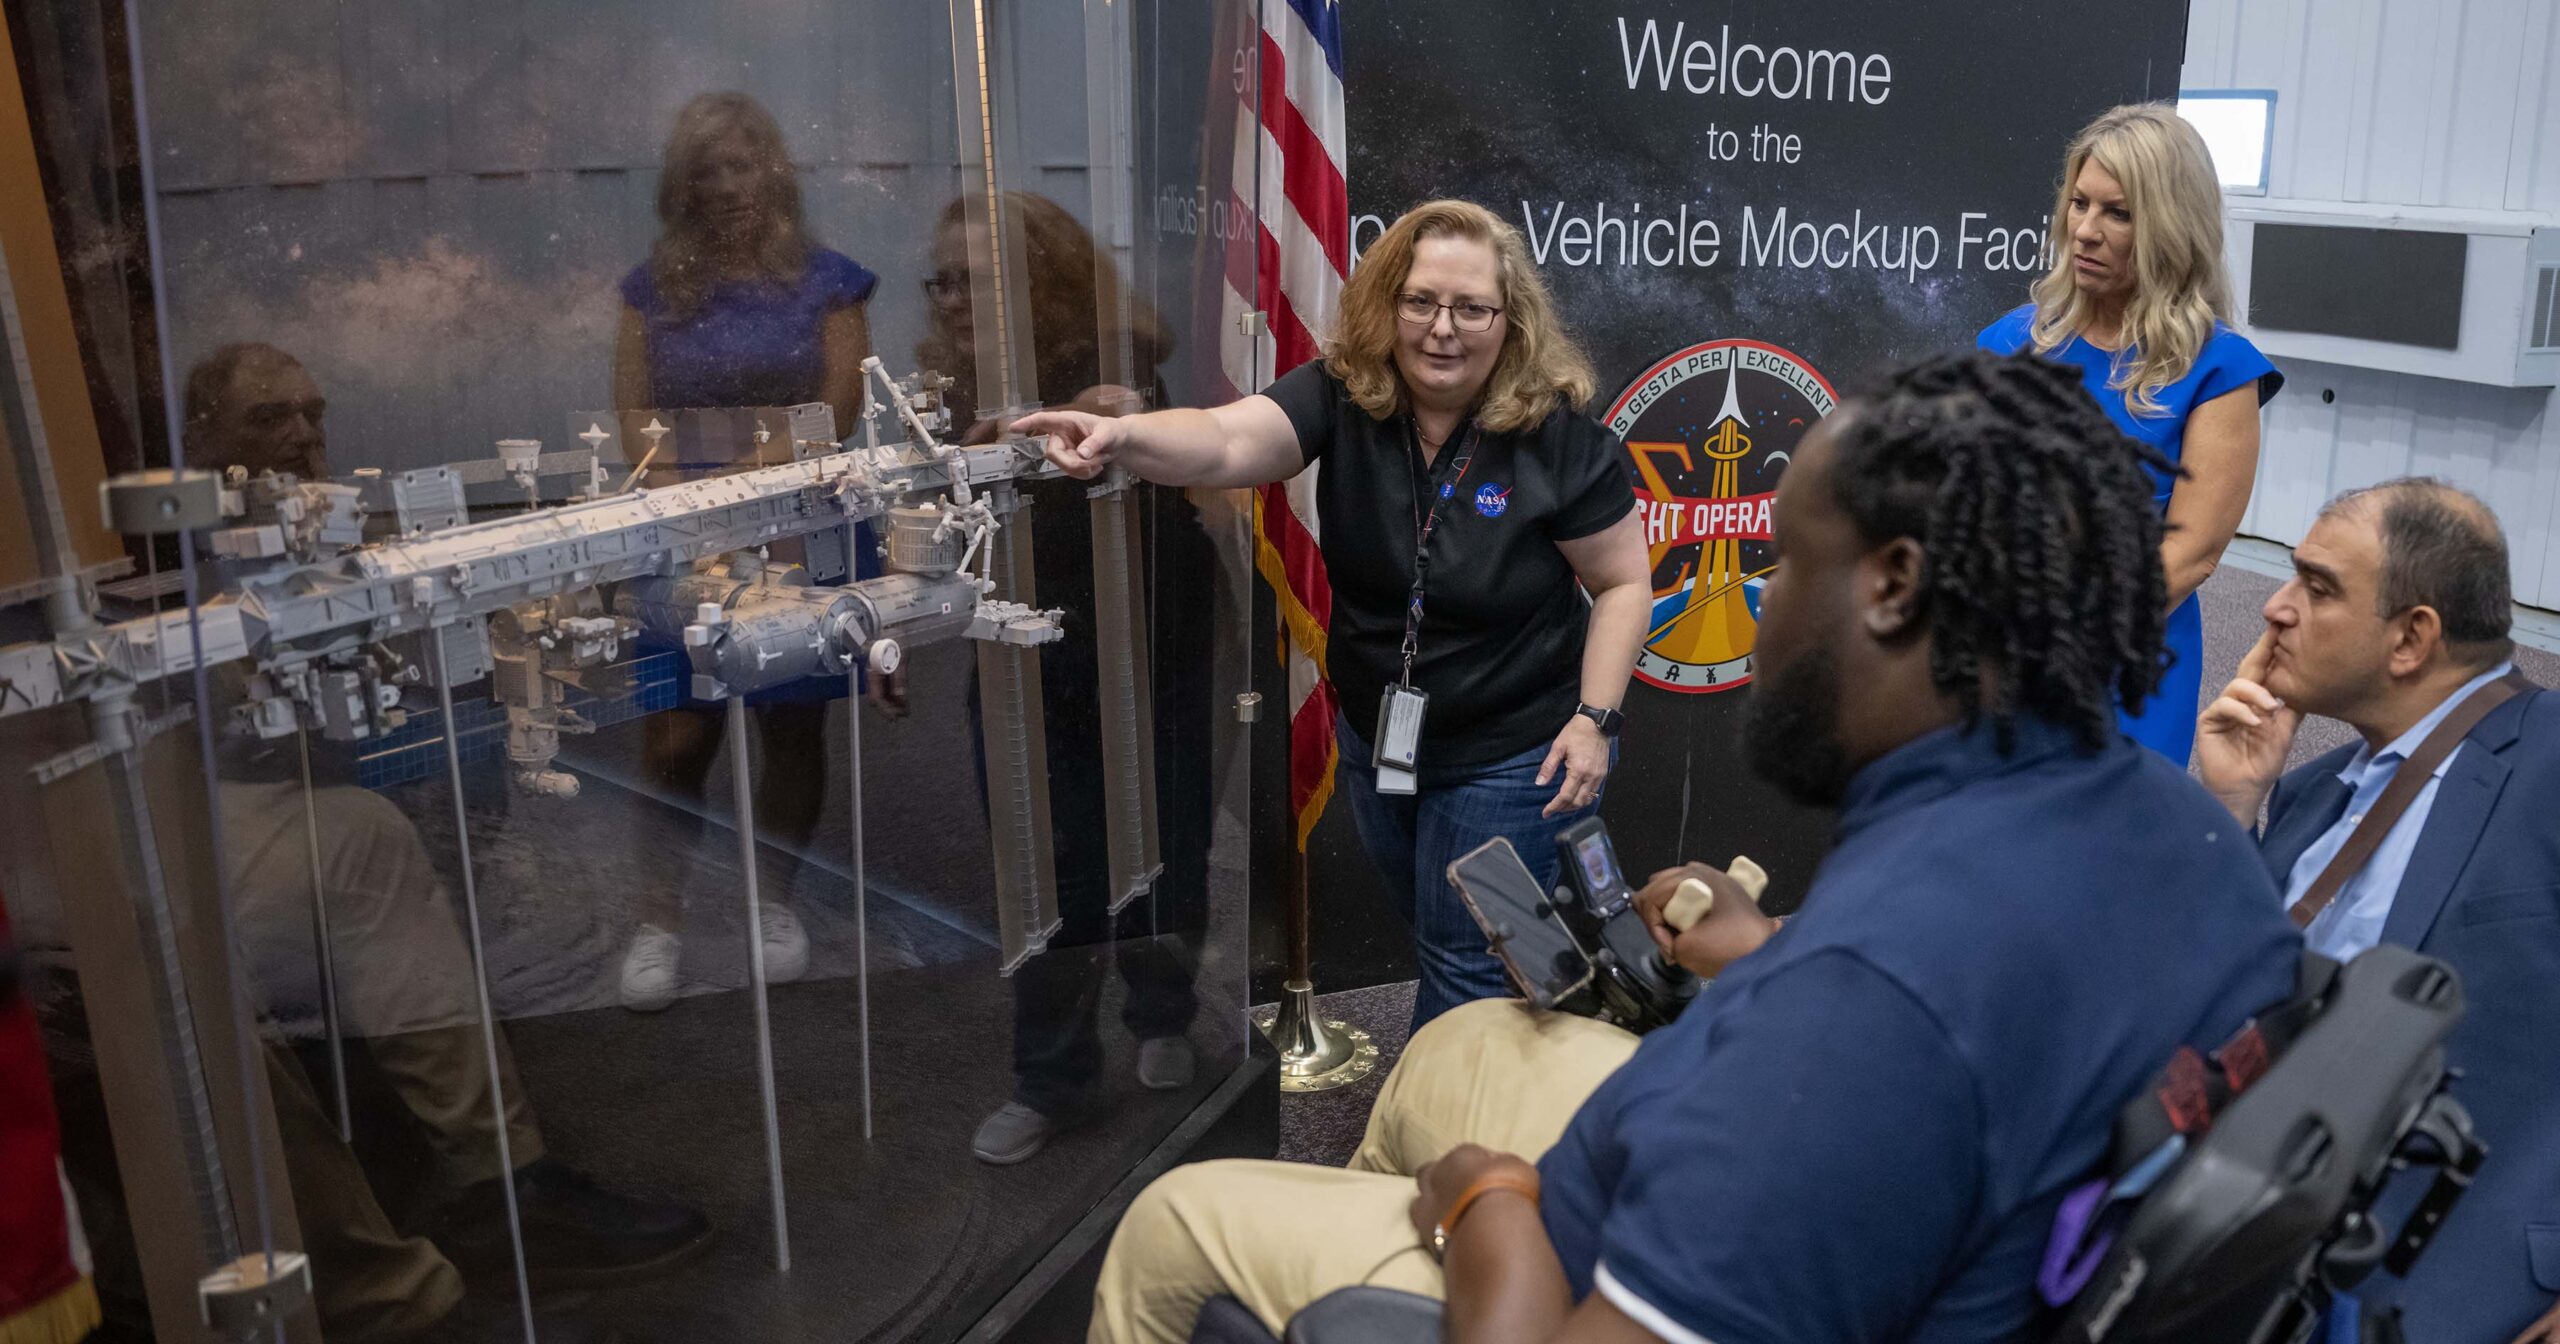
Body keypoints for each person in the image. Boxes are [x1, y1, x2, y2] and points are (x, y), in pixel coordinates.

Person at [1082, 350, 2303, 1344]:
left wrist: (1484, 1200)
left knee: (1175, 1222)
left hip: (1583, 1275)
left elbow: (1886, 1033)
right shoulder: (2183, 826)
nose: (1761, 599)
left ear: (1891, 585)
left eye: (1789, 561)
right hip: (1795, 1160)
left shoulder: (1868, 1011)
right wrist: (1766, 945)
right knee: (1457, 1038)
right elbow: (1987, 1018)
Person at [182, 343, 712, 1339]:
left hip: (294, 800)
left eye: (312, 414)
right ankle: (461, 1203)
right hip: (176, 821)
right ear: (200, 437)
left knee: (402, 816)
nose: (301, 436)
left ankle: (498, 1181)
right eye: (267, 420)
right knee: (361, 834)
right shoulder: (173, 564)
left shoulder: (329, 533)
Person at [1017, 199, 1649, 1029]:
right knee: (1448, 933)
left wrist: (1595, 719)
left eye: (1471, 308)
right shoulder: (1345, 395)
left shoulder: (1560, 440)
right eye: (1419, 301)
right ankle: (1536, 1049)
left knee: (1465, 962)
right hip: (1380, 737)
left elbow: (1622, 584)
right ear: (1386, 304)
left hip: (1512, 754)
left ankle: (1427, 1149)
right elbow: (1223, 440)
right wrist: (1121, 438)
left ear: (1512, 320)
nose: (1442, 329)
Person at [2194, 479, 2558, 1344]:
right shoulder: (2310, 794)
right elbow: (2204, 1003)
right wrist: (2229, 808)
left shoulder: (2551, 768)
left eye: (2317, 589)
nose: (2275, 610)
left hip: (2472, 1283)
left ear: (2411, 638)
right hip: (2272, 1266)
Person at [913, 192, 1222, 1166]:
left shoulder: (1112, 358)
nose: (954, 298)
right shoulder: (951, 372)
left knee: (1162, 827)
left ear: (1035, 277)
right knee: (1045, 860)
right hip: (1019, 634)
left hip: (1144, 622)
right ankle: (1054, 1080)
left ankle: (1164, 1010)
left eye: (975, 278)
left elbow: (1122, 431)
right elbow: (944, 497)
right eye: (943, 280)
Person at [609, 90, 885, 1011]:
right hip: (678, 524)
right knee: (676, 737)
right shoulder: (652, 289)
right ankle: (660, 920)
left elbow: (834, 416)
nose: (726, 187)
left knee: (789, 722)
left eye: (742, 166)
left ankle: (774, 903)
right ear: (681, 188)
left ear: (774, 174)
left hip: (795, 523)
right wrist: (679, 501)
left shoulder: (831, 281)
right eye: (706, 171)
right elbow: (637, 419)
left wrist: (730, 485)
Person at [1978, 102, 2283, 767]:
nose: (2085, 231)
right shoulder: (2008, 342)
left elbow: (2192, 553)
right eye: (2079, 203)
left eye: (2117, 213)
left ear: (2170, 227)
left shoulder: (2218, 369)